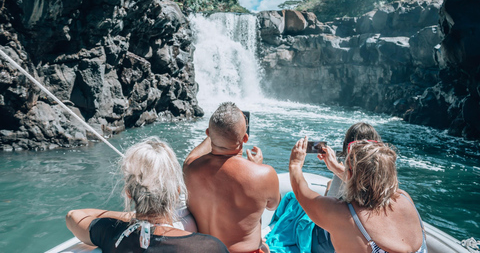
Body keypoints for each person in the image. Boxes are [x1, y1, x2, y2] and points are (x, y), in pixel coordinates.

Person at [66, 137, 229, 253]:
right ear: (176, 192)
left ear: (129, 193)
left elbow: (73, 216)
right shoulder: (209, 247)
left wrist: (130, 216)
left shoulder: (111, 233)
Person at [289, 138, 427, 253]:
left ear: (349, 173)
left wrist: (295, 164)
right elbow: (372, 183)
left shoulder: (343, 214)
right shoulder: (404, 197)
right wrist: (335, 167)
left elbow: (301, 192)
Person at [183, 102, 281, 253]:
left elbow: (194, 154)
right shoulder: (264, 174)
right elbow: (273, 205)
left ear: (208, 133)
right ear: (245, 138)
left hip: (204, 250)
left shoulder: (190, 167)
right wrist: (257, 167)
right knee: (265, 248)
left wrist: (219, 131)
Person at [323, 122, 382, 196]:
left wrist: (335, 168)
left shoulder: (346, 165)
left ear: (347, 144)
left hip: (341, 206)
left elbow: (330, 201)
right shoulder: (380, 166)